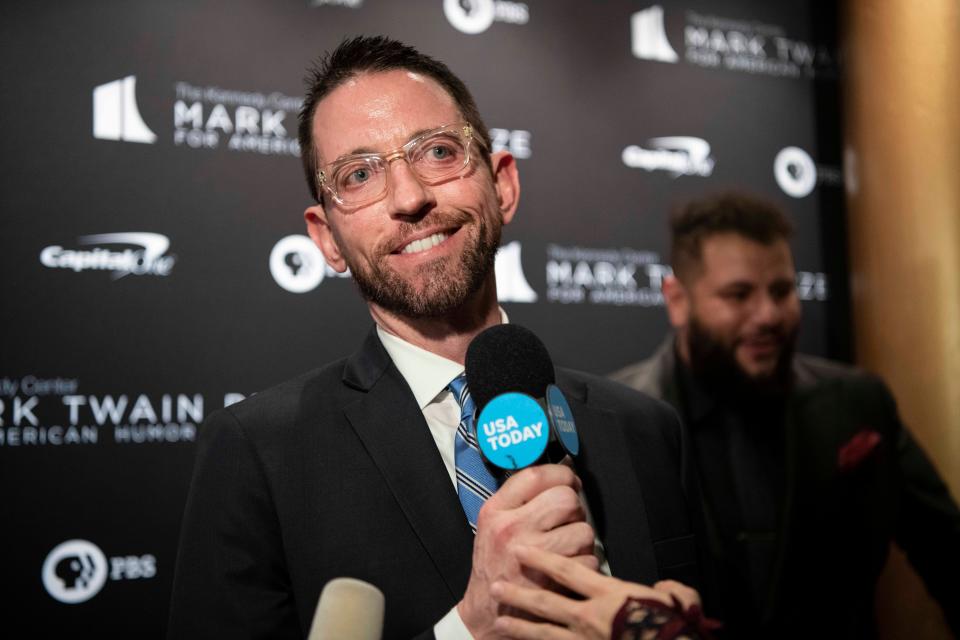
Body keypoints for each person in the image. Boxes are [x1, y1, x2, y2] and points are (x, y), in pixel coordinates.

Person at [167, 36, 702, 640]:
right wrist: (471, 629)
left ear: (502, 185)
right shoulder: (255, 456)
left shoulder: (645, 430)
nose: (410, 198)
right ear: (326, 239)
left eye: (439, 152)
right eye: (359, 174)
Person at [610, 191, 960, 638]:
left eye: (782, 290)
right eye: (739, 295)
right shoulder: (620, 420)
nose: (768, 315)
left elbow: (946, 550)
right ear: (678, 300)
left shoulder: (859, 404)